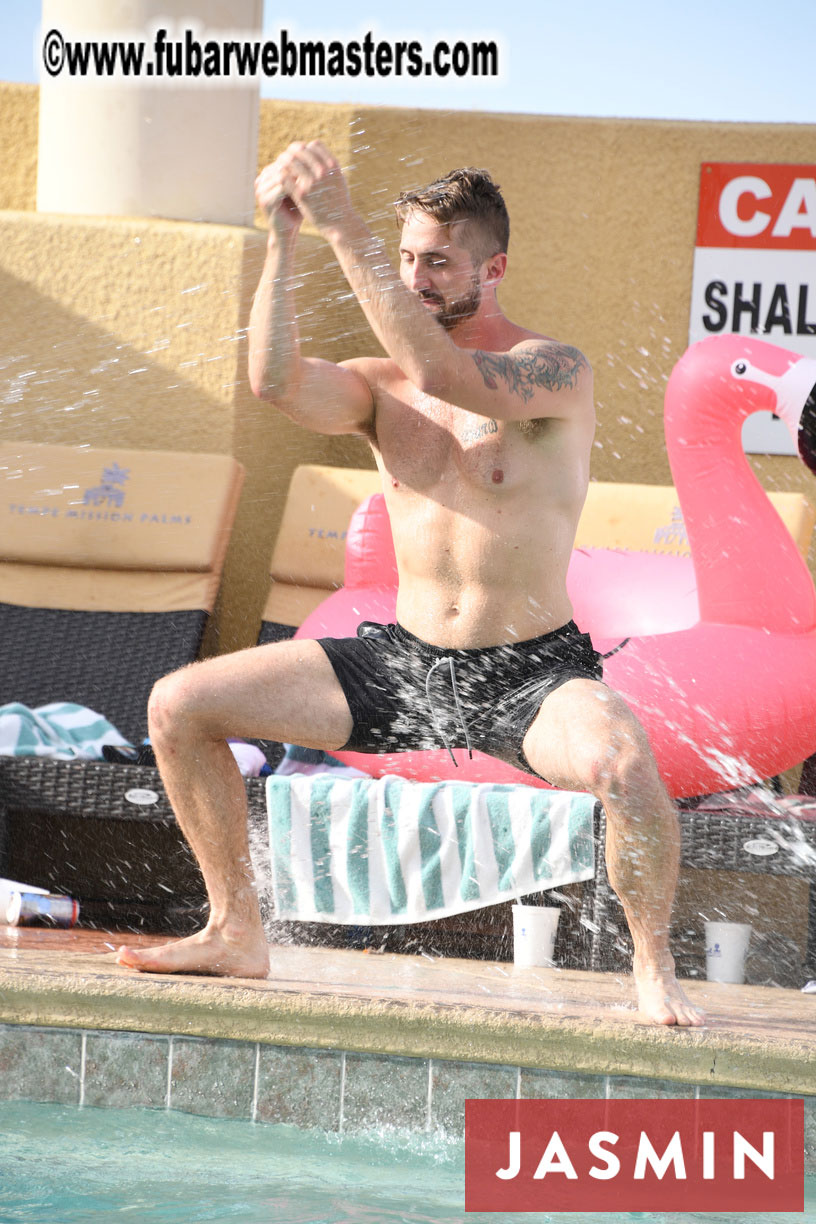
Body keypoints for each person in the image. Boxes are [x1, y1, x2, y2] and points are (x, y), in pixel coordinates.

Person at [117, 141, 704, 1028]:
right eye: (406, 259)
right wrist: (284, 240)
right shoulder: (381, 385)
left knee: (624, 764)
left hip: (531, 675)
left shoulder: (554, 371)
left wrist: (343, 223)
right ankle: (237, 927)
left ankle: (655, 969)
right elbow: (274, 382)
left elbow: (447, 373)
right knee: (177, 705)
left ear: (493, 268)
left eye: (438, 261)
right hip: (403, 662)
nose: (417, 277)